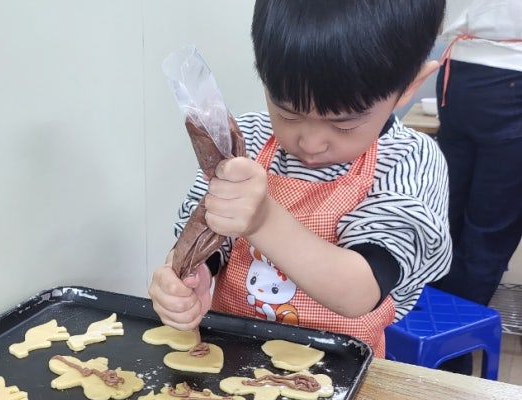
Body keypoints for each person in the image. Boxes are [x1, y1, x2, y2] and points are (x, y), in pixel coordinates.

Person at [149, 0, 452, 358]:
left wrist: (263, 220)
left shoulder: (408, 162)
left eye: (344, 124)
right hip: (229, 358)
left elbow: (359, 291)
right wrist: (191, 275)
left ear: (410, 86)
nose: (310, 143)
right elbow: (207, 233)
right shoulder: (249, 140)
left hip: (338, 372)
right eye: (288, 113)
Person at [435, 0, 522, 308]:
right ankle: (452, 328)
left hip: (459, 72)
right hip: (511, 72)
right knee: (488, 228)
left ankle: (419, 318)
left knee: (447, 211)